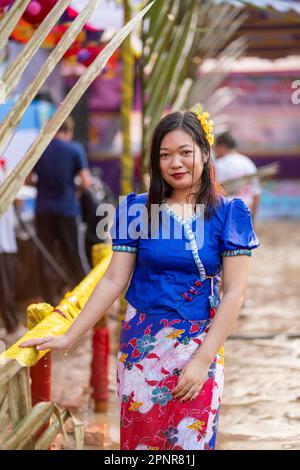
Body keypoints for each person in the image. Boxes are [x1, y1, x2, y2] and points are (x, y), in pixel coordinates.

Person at [20, 106, 260, 450]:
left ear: (205, 155)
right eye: (165, 155)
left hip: (200, 346)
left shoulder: (229, 213)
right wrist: (68, 335)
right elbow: (113, 280)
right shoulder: (136, 210)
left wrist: (203, 360)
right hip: (141, 348)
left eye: (185, 153)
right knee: (141, 443)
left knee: (191, 443)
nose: (175, 163)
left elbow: (235, 292)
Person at [32, 115, 91, 305]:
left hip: (42, 210)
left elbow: (26, 179)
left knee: (46, 257)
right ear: (67, 130)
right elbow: (86, 181)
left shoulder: (39, 149)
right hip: (67, 209)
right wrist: (78, 193)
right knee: (74, 254)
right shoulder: (74, 149)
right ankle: (82, 301)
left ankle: (49, 303)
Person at [0, 160, 27, 344]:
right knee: (4, 281)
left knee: (7, 279)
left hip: (5, 234)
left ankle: (11, 323)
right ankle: (11, 324)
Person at [214, 131, 262, 224]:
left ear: (222, 146)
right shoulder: (247, 162)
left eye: (215, 148)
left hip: (227, 215)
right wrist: (254, 219)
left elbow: (215, 194)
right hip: (246, 212)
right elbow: (256, 193)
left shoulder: (218, 165)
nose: (215, 152)